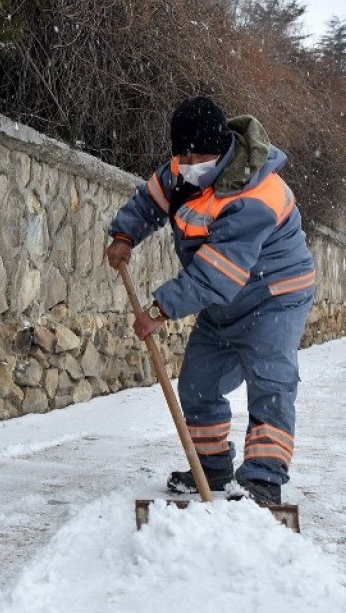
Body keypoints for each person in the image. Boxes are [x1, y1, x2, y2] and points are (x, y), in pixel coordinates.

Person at [104, 96, 315, 506]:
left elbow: (218, 272)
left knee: (270, 381)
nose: (186, 163)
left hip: (275, 295)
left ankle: (263, 478)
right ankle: (212, 467)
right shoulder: (184, 169)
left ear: (218, 149)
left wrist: (159, 310)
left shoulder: (256, 195)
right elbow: (150, 201)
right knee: (199, 383)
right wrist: (124, 235)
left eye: (197, 155)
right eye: (181, 155)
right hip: (223, 300)